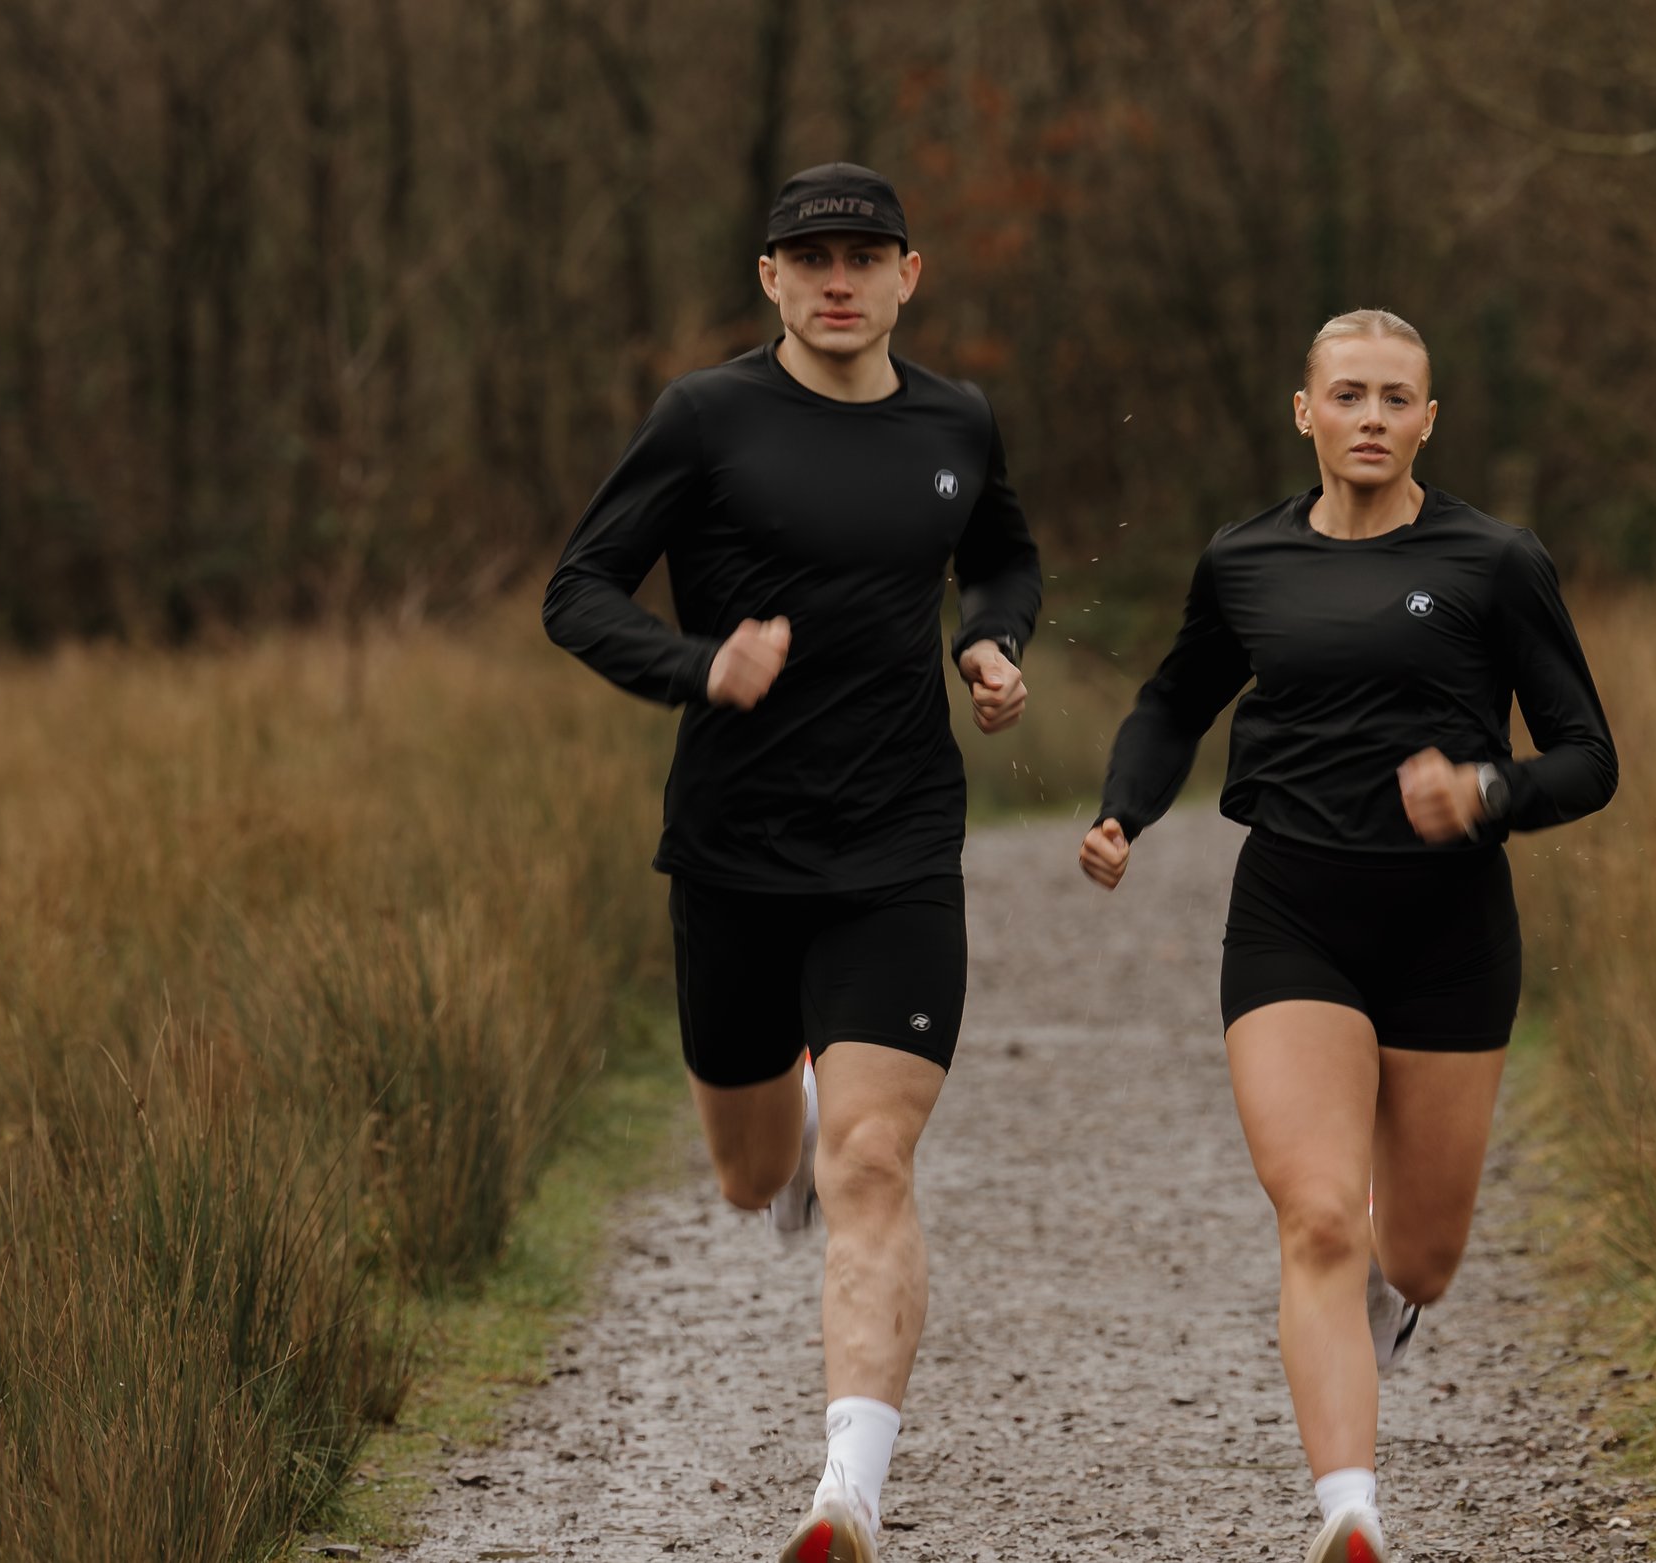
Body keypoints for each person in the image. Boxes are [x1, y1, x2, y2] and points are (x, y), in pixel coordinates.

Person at [543, 162, 1041, 1563]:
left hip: (895, 845)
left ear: (906, 276)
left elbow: (1003, 555)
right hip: (733, 850)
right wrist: (701, 665)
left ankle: (848, 1493)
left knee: (874, 1158)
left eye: (863, 255)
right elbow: (576, 590)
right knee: (756, 1175)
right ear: (769, 278)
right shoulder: (706, 419)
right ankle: (795, 1127)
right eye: (810, 255)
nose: (838, 278)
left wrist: (993, 638)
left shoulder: (956, 421)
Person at [1077, 309, 1616, 1563]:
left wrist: (1487, 793)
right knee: (1318, 1216)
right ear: (1304, 412)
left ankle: (1388, 1298)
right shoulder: (1246, 559)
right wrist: (1122, 811)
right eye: (1349, 395)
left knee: (1417, 1259)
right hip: (1293, 917)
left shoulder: (1495, 560)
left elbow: (1588, 757)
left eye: (1396, 399)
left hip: (1450, 932)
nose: (1371, 418)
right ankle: (1350, 1515)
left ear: (1428, 420)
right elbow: (1174, 700)